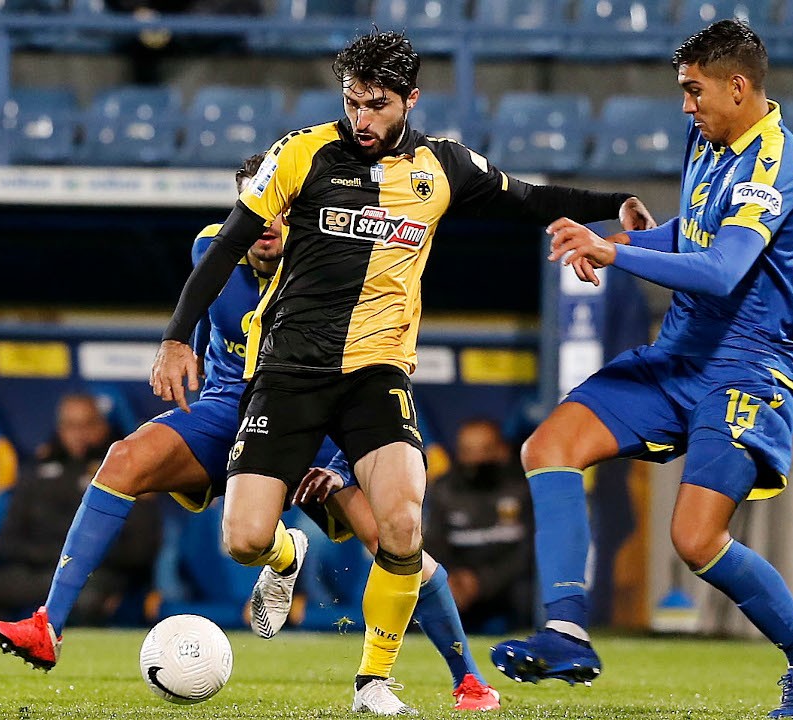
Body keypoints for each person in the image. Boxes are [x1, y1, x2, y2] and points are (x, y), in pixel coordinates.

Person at [150, 29, 653, 715]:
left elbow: (527, 197)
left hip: (376, 374)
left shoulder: (441, 167)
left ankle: (373, 683)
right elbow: (227, 243)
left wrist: (613, 203)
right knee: (243, 540)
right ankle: (284, 555)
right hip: (289, 371)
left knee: (402, 525)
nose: (361, 118)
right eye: (352, 102)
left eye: (377, 105)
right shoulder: (300, 153)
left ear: (410, 99)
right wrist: (176, 338)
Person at [0, 154, 501, 713]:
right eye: (255, 208)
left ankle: (468, 679)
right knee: (125, 460)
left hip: (320, 414)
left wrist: (342, 464)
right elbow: (203, 313)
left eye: (282, 209)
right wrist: (181, 348)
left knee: (391, 539)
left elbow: (371, 377)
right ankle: (49, 625)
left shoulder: (339, 263)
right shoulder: (211, 249)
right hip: (231, 405)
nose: (267, 223)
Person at [492, 20, 793, 719]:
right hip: (680, 355)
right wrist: (611, 241)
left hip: (747, 368)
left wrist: (616, 253)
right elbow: (693, 233)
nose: (685, 105)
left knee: (695, 539)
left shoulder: (774, 162)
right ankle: (566, 631)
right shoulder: (707, 139)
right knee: (549, 446)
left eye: (694, 90)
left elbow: (721, 270)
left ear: (737, 87)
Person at [0, 394, 159, 626]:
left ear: (102, 426)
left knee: (89, 599)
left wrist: (80, 560)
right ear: (60, 428)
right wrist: (58, 556)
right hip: (37, 571)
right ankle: (7, 646)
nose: (79, 434)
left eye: (87, 424)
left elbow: (140, 549)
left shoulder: (124, 471)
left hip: (93, 575)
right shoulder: (37, 471)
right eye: (71, 426)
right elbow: (5, 542)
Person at [424, 419, 534, 633]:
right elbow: (434, 546)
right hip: (459, 582)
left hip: (507, 583)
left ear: (502, 450)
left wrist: (482, 582)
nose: (476, 460)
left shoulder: (523, 487)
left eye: (484, 450)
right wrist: (453, 580)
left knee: (528, 591)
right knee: (426, 590)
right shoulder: (445, 490)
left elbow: (528, 552)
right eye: (468, 451)